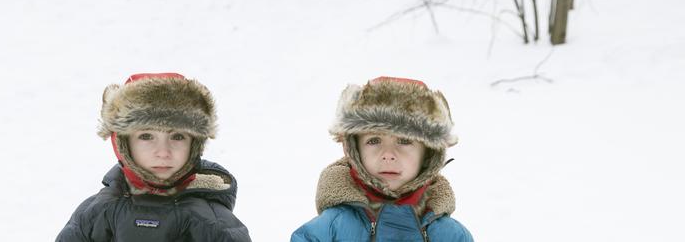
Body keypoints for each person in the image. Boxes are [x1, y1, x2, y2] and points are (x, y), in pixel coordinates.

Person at [56, 73, 252, 242]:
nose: (163, 152)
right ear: (122, 143)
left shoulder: (214, 223)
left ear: (195, 143)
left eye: (177, 136)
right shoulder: (97, 213)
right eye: (146, 136)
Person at [291, 76, 473, 242]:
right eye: (374, 140)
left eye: (404, 141)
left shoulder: (450, 235)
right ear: (354, 150)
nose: (388, 154)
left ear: (428, 154)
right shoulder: (333, 226)